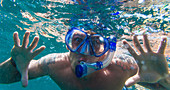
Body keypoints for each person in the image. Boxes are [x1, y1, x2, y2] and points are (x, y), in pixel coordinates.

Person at [0, 27, 169, 90]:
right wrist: (14, 64)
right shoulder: (54, 64)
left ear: (108, 49)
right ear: (68, 44)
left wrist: (164, 78)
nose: (85, 52)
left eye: (96, 43)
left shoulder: (122, 67)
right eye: (78, 41)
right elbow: (2, 78)